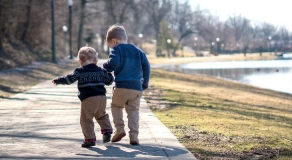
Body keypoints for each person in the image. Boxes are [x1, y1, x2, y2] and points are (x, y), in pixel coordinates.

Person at [52, 46, 113, 148]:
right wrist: (109, 73)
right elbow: (109, 81)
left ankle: (90, 139)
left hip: (88, 99)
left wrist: (58, 80)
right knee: (101, 115)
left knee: (86, 119)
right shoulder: (100, 70)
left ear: (80, 61)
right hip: (102, 98)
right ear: (96, 61)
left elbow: (69, 79)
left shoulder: (79, 71)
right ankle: (107, 131)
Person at [103, 24, 150, 145]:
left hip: (122, 86)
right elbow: (147, 66)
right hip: (136, 87)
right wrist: (144, 83)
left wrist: (105, 66)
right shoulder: (138, 51)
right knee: (133, 111)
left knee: (116, 106)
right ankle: (134, 136)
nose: (111, 48)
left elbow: (112, 64)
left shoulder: (117, 49)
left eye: (110, 46)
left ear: (114, 41)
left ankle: (119, 129)